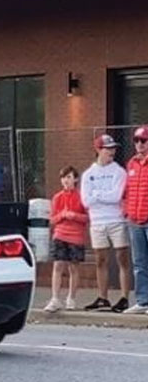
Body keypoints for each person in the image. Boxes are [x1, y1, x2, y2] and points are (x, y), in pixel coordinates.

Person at [81, 134, 131, 313]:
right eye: (107, 148)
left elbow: (116, 196)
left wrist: (97, 195)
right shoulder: (89, 174)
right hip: (97, 221)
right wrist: (103, 195)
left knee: (122, 258)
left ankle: (124, 297)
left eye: (113, 148)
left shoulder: (119, 171)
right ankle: (103, 297)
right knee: (100, 260)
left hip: (116, 219)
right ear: (98, 150)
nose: (112, 152)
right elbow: (86, 201)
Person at [44, 166, 89, 312]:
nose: (66, 181)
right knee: (58, 265)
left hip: (76, 237)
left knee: (73, 268)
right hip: (60, 235)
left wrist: (74, 216)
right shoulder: (57, 197)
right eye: (63, 178)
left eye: (69, 177)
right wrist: (62, 215)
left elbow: (87, 218)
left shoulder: (81, 197)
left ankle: (71, 298)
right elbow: (52, 220)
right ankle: (55, 298)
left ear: (75, 179)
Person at [125, 128, 148, 314]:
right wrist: (128, 212)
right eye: (137, 140)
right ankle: (142, 300)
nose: (140, 144)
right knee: (139, 262)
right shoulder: (131, 164)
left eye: (143, 140)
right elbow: (128, 190)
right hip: (135, 220)